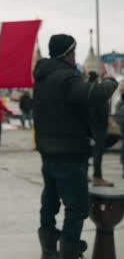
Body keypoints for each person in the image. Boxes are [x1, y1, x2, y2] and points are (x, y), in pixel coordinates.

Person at [33, 34, 118, 259]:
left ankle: (48, 252)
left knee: (49, 204)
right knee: (76, 208)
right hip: (70, 153)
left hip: (48, 151)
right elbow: (95, 95)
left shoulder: (42, 77)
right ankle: (69, 253)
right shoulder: (66, 78)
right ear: (67, 53)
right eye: (73, 52)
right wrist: (110, 80)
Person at [88, 71, 114, 187]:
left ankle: (90, 175)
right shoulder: (96, 92)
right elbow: (97, 111)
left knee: (92, 151)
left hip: (93, 126)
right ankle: (97, 177)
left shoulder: (87, 89)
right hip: (97, 127)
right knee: (97, 152)